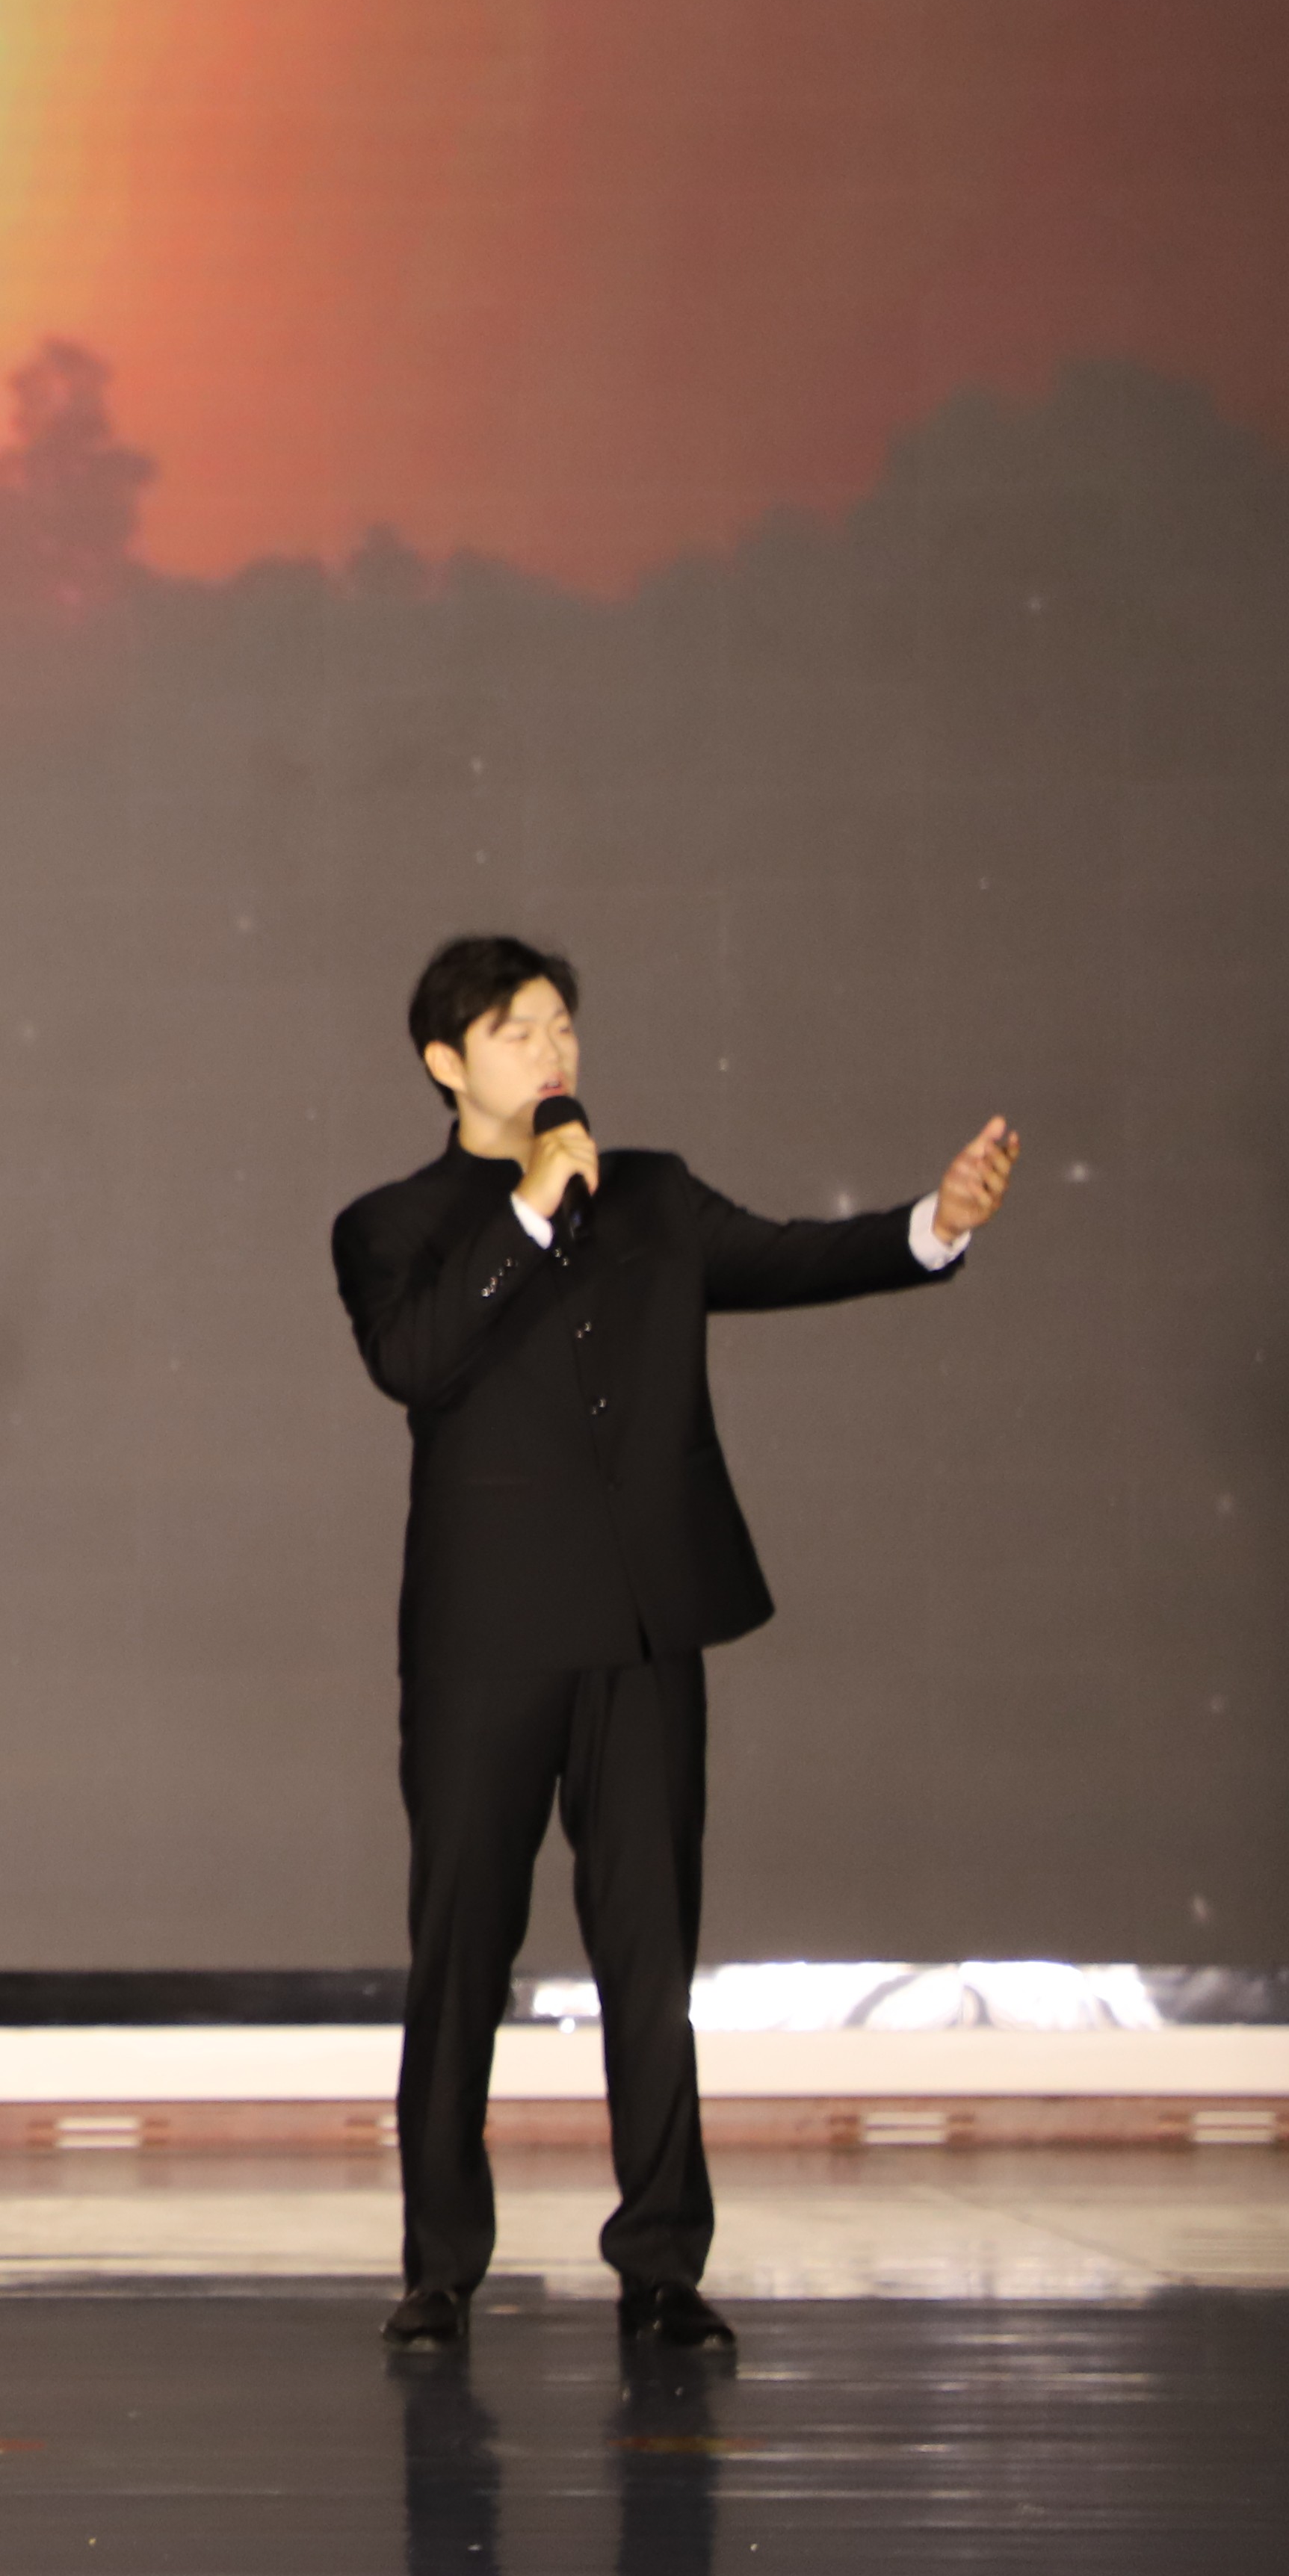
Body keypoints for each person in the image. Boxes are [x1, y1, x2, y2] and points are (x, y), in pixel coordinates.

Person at [331, 935, 1014, 2353]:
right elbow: (416, 1362)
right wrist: (529, 1210)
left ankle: (660, 2265)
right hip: (484, 1644)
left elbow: (791, 1257)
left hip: (642, 1633)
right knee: (462, 1952)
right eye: (517, 1031)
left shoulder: (649, 1193)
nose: (552, 1050)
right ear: (445, 1064)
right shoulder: (392, 1225)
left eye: (562, 1025)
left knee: (650, 1956)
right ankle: (440, 2269)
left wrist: (933, 1226)